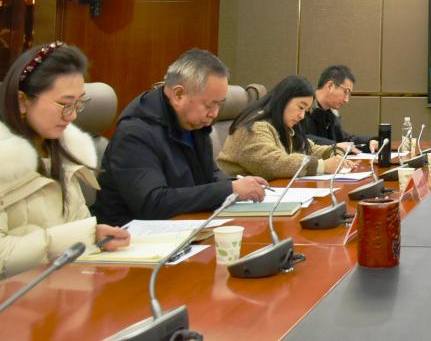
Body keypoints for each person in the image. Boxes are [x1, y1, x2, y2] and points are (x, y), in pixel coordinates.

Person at [94, 49, 267, 226]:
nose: (214, 114)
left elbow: (209, 175)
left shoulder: (193, 124)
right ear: (179, 94)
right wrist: (229, 190)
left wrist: (239, 184)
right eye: (209, 105)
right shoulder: (135, 133)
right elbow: (153, 203)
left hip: (182, 225)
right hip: (130, 235)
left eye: (219, 105)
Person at [1, 42, 129, 279]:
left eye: (79, 103)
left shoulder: (64, 151)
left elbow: (79, 224)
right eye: (64, 104)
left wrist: (95, 235)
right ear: (22, 101)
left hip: (64, 286)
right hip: (16, 296)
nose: (73, 115)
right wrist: (83, 235)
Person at [217, 75, 349, 179]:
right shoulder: (253, 127)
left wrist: (334, 153)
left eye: (306, 110)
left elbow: (308, 149)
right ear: (283, 100)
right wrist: (322, 166)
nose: (302, 116)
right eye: (301, 107)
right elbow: (273, 163)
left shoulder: (283, 126)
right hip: (236, 199)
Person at [300, 65, 377, 152]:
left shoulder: (330, 114)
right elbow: (300, 139)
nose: (346, 100)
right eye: (346, 92)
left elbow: (343, 140)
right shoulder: (302, 108)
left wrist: (368, 142)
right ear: (330, 86)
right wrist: (334, 145)